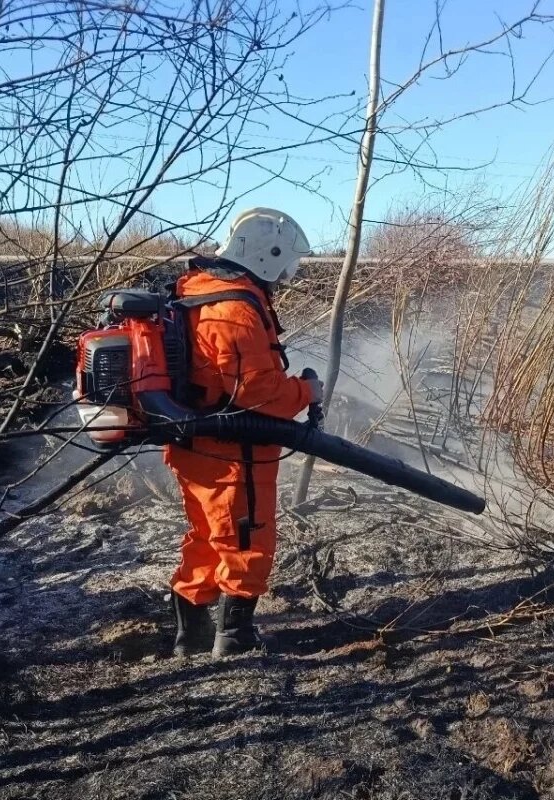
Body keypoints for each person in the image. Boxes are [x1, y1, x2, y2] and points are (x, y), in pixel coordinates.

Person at [167, 208, 322, 657]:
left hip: (197, 445)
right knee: (247, 538)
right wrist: (306, 391)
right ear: (268, 254)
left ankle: (190, 637)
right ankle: (234, 638)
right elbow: (258, 393)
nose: (287, 276)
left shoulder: (199, 290)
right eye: (286, 264)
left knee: (207, 537)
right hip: (235, 453)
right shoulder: (234, 308)